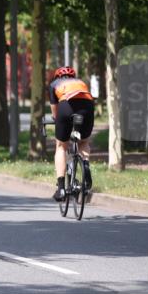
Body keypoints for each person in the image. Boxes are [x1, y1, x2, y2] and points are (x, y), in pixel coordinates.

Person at [49, 66, 94, 201]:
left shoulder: (54, 84)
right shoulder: (81, 82)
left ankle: (61, 188)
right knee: (84, 141)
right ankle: (85, 164)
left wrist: (57, 121)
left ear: (58, 77)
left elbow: (54, 112)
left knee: (61, 146)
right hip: (87, 106)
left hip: (66, 106)